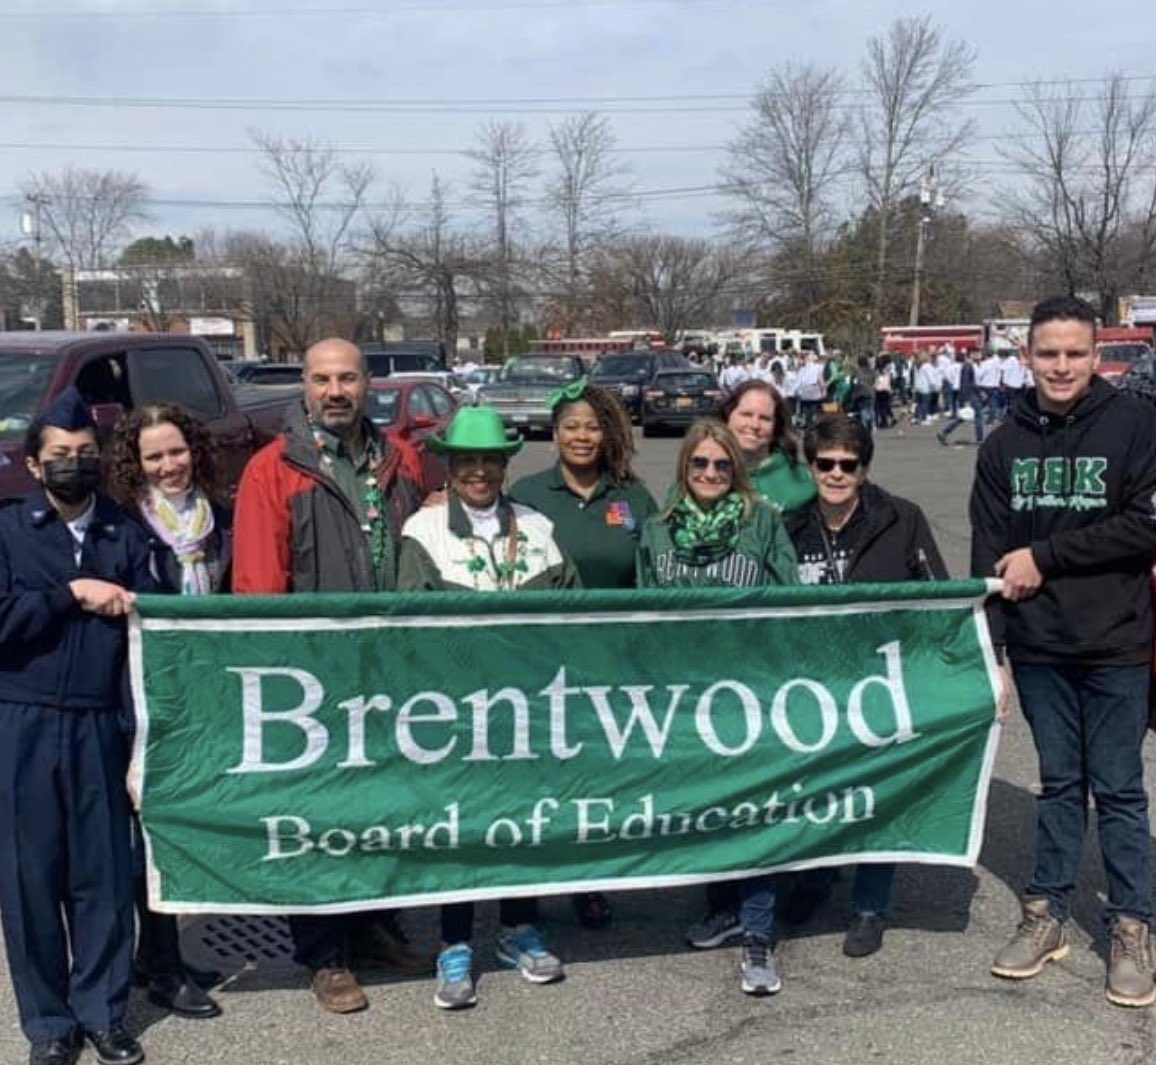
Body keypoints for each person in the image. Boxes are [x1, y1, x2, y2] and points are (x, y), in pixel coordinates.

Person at [232, 337, 429, 1014]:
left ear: (368, 383)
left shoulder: (400, 458)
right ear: (305, 386)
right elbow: (258, 587)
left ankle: (376, 924)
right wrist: (282, 675)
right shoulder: (273, 469)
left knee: (384, 805)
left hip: (395, 673)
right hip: (314, 680)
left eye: (347, 378)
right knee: (318, 815)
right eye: (322, 379)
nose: (335, 391)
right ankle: (325, 952)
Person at [972, 295, 1156, 1008]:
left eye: (1074, 352)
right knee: (1058, 784)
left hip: (1116, 642)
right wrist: (992, 651)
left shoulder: (1136, 424)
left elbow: (1144, 525)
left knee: (1118, 788)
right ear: (1026, 356)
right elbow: (989, 555)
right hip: (1040, 647)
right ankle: (1046, 912)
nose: (1061, 365)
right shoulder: (1002, 443)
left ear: (1096, 354)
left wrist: (1045, 556)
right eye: (1047, 353)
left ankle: (1132, 924)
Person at [397, 406, 577, 1010]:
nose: (479, 471)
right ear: (449, 467)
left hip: (529, 710)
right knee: (460, 825)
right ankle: (453, 942)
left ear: (505, 465)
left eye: (490, 461)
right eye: (467, 461)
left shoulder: (540, 528)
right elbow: (412, 627)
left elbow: (575, 612)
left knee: (524, 822)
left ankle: (519, 928)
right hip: (455, 712)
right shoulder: (423, 533)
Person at [0, 387, 153, 1065]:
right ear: (34, 465)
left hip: (98, 723)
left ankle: (103, 1012)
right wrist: (68, 596)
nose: (74, 463)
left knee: (104, 879)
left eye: (86, 452)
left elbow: (153, 638)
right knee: (28, 880)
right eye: (60, 453)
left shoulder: (127, 533)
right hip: (22, 722)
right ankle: (49, 1024)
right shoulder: (8, 531)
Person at [636, 420, 797, 997]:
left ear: (737, 470)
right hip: (686, 694)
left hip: (749, 692)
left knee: (755, 810)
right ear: (685, 467)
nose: (710, 473)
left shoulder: (762, 522)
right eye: (700, 463)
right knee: (712, 808)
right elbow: (644, 613)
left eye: (722, 464)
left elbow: (792, 601)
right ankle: (721, 906)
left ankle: (758, 933)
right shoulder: (657, 530)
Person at [780, 414, 949, 956]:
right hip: (812, 688)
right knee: (816, 793)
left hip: (882, 684)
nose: (836, 474)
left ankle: (870, 905)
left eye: (847, 465)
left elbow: (938, 599)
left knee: (878, 795)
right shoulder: (790, 525)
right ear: (811, 467)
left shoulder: (902, 518)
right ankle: (814, 879)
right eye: (824, 463)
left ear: (864, 469)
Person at [509, 379, 656, 929]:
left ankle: (591, 881)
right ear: (554, 433)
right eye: (571, 426)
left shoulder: (632, 497)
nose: (582, 436)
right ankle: (532, 887)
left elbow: (653, 573)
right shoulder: (527, 494)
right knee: (543, 779)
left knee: (596, 780)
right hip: (542, 664)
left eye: (593, 427)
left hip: (613, 663)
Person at [106, 404, 231, 1022]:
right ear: (136, 463)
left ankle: (157, 954)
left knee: (180, 824)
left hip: (203, 696)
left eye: (176, 451)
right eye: (153, 456)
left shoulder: (220, 518)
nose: (168, 465)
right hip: (145, 698)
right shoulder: (125, 525)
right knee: (150, 830)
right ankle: (162, 966)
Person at [717, 379, 816, 518]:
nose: (754, 425)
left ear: (776, 427)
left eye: (765, 418)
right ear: (728, 417)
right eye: (746, 414)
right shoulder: (703, 472)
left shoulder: (803, 481)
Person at [937, 350, 985, 447]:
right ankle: (980, 439)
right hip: (971, 395)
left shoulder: (969, 365)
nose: (980, 356)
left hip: (970, 394)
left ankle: (945, 432)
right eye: (978, 354)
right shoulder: (968, 366)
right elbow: (966, 383)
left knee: (964, 416)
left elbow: (970, 382)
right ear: (972, 355)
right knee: (978, 416)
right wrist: (968, 398)